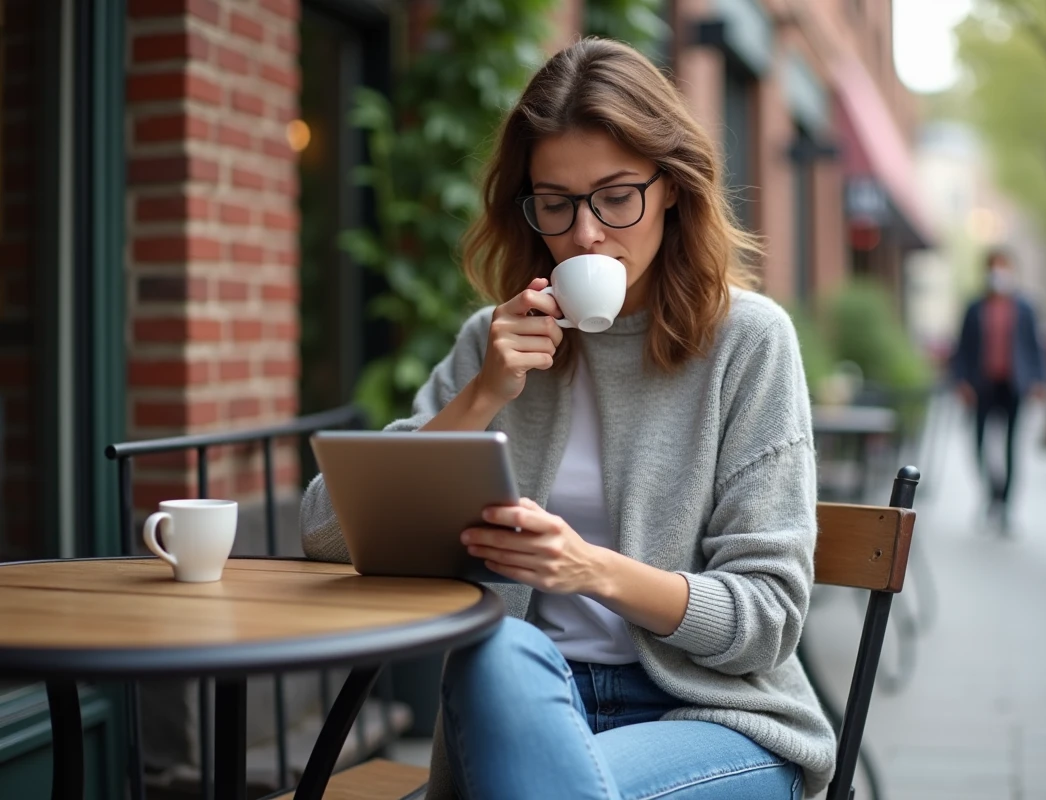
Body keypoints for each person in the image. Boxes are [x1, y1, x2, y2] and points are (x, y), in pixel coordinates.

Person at [300, 38, 834, 799]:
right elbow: (325, 534)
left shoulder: (747, 343)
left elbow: (768, 618)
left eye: (617, 196)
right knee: (496, 648)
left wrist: (590, 570)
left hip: (714, 717)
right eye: (556, 203)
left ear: (674, 187)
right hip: (524, 708)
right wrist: (482, 394)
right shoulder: (496, 344)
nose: (585, 233)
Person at [950, 247, 1046, 533]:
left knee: (1011, 446)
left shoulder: (1025, 307)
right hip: (981, 386)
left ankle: (1006, 505)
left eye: (1003, 267)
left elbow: (1035, 347)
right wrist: (961, 381)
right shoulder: (975, 307)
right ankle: (990, 492)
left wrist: (1039, 381)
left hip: (1013, 385)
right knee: (979, 444)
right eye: (994, 267)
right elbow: (962, 348)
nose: (998, 274)